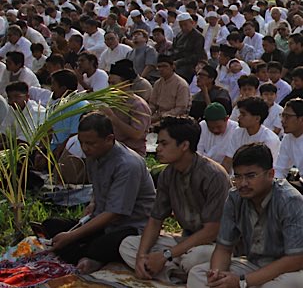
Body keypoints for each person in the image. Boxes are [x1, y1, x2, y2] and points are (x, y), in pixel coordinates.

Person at [186, 143, 303, 288]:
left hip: (297, 272)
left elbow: (295, 260)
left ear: (270, 174)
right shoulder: (235, 198)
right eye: (238, 177)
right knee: (198, 274)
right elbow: (224, 248)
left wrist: (242, 281)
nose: (243, 183)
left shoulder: (289, 200)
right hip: (255, 266)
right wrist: (217, 276)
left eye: (250, 176)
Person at [119, 117, 231, 283]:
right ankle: (174, 274)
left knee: (192, 260)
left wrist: (166, 255)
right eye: (158, 143)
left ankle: (171, 271)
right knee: (128, 245)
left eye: (164, 144)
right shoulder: (167, 175)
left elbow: (211, 231)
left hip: (216, 245)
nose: (158, 148)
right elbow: (155, 220)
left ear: (184, 145)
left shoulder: (213, 176)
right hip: (185, 242)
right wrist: (141, 257)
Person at [45, 113, 156, 273]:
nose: (85, 148)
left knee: (97, 246)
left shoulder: (127, 165)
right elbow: (98, 188)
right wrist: (93, 203)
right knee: (51, 225)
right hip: (103, 221)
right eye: (82, 143)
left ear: (109, 139)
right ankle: (85, 253)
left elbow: (115, 213)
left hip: (130, 227)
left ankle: (90, 255)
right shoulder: (94, 156)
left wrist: (73, 236)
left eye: (90, 143)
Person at [221, 97, 281, 174]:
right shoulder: (237, 132)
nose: (239, 117)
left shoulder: (270, 139)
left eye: (243, 114)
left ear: (257, 119)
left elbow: (264, 171)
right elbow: (228, 161)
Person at [147, 55, 191, 123]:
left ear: (172, 67)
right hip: (158, 117)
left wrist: (162, 116)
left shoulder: (181, 85)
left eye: (165, 66)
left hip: (176, 120)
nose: (161, 69)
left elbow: (181, 108)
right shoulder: (157, 83)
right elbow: (152, 104)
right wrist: (147, 115)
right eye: (159, 67)